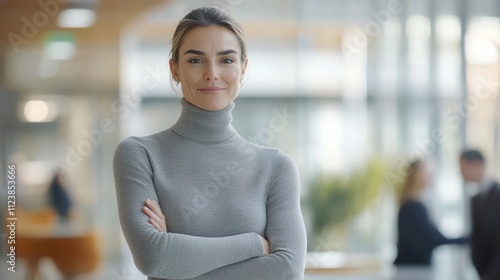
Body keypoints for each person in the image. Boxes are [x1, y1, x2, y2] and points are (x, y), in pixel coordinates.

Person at [113, 6, 307, 280]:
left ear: (243, 69)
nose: (211, 73)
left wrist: (178, 261)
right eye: (195, 60)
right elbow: (153, 257)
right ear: (174, 69)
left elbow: (287, 269)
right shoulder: (139, 155)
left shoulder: (276, 167)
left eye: (226, 60)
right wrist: (255, 244)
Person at [394, 160, 468, 270]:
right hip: (411, 270)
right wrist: (466, 239)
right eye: (425, 172)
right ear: (415, 176)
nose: (430, 175)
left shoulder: (415, 204)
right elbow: (433, 238)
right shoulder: (412, 207)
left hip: (414, 268)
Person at [460, 149, 500, 280]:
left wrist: (492, 274)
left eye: (463, 167)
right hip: (482, 273)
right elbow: (476, 239)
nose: (461, 173)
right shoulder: (475, 200)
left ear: (477, 164)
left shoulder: (497, 195)